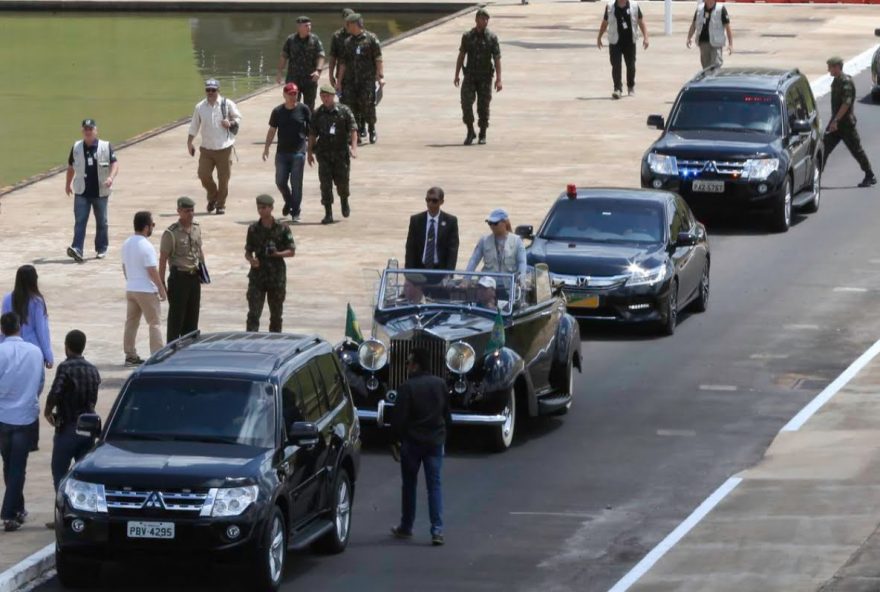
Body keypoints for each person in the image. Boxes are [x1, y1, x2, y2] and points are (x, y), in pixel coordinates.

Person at [390, 347, 450, 546]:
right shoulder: (440, 384)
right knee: (435, 486)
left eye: (408, 362)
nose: (406, 366)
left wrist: (395, 441)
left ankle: (406, 526)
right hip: (435, 442)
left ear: (416, 365)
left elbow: (398, 420)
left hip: (412, 444)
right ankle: (437, 530)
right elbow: (447, 415)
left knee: (409, 486)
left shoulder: (407, 387)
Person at [0, 312, 45, 532]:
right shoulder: (35, 352)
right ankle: (12, 511)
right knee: (17, 467)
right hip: (26, 417)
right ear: (20, 327)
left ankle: (14, 510)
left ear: (2, 329)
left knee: (9, 466)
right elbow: (40, 384)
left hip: (3, 417)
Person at [43, 330, 100, 499]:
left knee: (59, 471)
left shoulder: (65, 367)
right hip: (88, 427)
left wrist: (47, 411)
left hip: (68, 426)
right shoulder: (92, 369)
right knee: (84, 473)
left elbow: (56, 392)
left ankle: (64, 508)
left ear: (66, 347)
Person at [65, 118, 119, 263]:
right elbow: (71, 167)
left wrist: (111, 178)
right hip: (82, 191)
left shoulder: (105, 146)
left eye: (91, 129)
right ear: (82, 131)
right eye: (86, 129)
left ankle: (101, 248)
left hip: (100, 191)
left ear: (96, 131)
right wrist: (67, 184)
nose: (88, 132)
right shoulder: (76, 147)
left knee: (102, 221)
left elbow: (114, 163)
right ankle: (77, 249)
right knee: (80, 221)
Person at [186, 79, 242, 215]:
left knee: (224, 179)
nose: (210, 92)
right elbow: (194, 126)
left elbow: (238, 117)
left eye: (213, 90)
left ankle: (220, 204)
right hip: (207, 148)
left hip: (224, 147)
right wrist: (189, 142)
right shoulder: (200, 107)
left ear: (218, 90)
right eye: (208, 90)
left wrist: (231, 122)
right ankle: (213, 196)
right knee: (203, 175)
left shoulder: (227, 104)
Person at [245, 195, 296, 332]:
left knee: (276, 316)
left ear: (271, 208)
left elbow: (291, 251)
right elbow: (248, 251)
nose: (261, 211)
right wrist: (251, 260)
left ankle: (275, 344)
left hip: (276, 277)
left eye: (264, 208)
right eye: (259, 208)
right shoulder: (253, 229)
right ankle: (251, 343)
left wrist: (277, 254)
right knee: (253, 315)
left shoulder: (283, 228)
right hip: (258, 277)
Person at [308, 85, 358, 224]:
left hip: (341, 154)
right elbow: (312, 134)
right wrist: (309, 152)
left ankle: (344, 200)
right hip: (323, 154)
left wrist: (353, 148)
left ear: (333, 96)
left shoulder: (344, 111)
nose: (325, 99)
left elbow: (353, 130)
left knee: (342, 182)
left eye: (327, 96)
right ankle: (328, 213)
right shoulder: (317, 113)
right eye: (323, 96)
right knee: (325, 184)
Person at [121, 211, 166, 366]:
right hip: (146, 290)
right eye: (152, 224)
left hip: (131, 288)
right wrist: (161, 288)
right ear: (146, 227)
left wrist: (131, 281)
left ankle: (130, 355)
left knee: (131, 322)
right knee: (154, 323)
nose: (153, 227)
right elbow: (152, 270)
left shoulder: (127, 243)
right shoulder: (146, 245)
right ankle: (157, 355)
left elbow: (124, 267)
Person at [825, 56, 877, 188]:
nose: (828, 69)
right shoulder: (836, 81)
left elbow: (846, 103)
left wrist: (836, 120)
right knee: (824, 148)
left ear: (837, 67)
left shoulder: (845, 82)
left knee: (856, 150)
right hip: (836, 124)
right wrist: (833, 121)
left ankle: (869, 175)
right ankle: (813, 179)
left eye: (830, 66)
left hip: (846, 124)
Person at [263, 83, 311, 222]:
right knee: (280, 181)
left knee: (296, 183)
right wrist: (266, 148)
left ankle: (295, 211)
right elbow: (272, 130)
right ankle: (289, 201)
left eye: (295, 94)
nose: (292, 96)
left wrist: (311, 147)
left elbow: (311, 127)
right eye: (290, 94)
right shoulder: (278, 111)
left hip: (299, 152)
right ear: (284, 95)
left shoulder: (304, 109)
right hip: (282, 153)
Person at [160, 197, 205, 342]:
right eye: (187, 211)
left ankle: (189, 350)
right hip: (179, 278)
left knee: (192, 318)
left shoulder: (196, 228)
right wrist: (161, 283)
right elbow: (163, 259)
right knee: (176, 320)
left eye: (192, 210)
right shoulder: (171, 233)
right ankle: (172, 351)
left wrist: (203, 269)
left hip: (194, 277)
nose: (190, 214)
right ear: (179, 211)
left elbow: (199, 250)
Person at [454, 8, 502, 145]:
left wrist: (499, 79)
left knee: (483, 106)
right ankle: (470, 131)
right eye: (482, 18)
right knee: (466, 103)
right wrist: (456, 74)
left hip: (485, 78)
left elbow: (497, 59)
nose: (485, 21)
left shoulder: (492, 38)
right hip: (470, 76)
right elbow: (461, 55)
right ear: (476, 20)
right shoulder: (468, 36)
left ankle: (482, 133)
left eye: (487, 19)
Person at [336, 13, 384, 144]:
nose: (346, 27)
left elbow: (378, 58)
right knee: (351, 106)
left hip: (366, 80)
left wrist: (380, 76)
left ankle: (372, 129)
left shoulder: (371, 39)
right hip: (350, 81)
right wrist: (339, 81)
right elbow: (343, 63)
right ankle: (355, 134)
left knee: (367, 105)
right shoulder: (347, 42)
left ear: (355, 24)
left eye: (348, 24)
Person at [1, 265, 53, 369]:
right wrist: (48, 355)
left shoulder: (7, 299)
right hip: (33, 350)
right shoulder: (37, 301)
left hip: (11, 352)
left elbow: (4, 327)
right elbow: (41, 331)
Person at [597, 0, 649, 100]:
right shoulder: (610, 6)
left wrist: (646, 37)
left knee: (631, 66)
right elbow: (605, 22)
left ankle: (630, 85)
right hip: (615, 42)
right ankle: (617, 89)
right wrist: (599, 37)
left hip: (630, 42)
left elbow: (641, 21)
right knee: (616, 65)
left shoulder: (634, 6)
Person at [276, 16, 325, 113]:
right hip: (294, 79)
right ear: (299, 27)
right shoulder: (291, 40)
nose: (309, 28)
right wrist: (279, 72)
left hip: (310, 79)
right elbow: (284, 56)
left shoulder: (315, 40)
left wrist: (318, 70)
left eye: (310, 25)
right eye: (306, 26)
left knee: (309, 107)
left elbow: (321, 56)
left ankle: (308, 127)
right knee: (292, 104)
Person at [405, 187, 460, 271]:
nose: (430, 203)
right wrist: (408, 273)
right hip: (419, 268)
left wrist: (449, 274)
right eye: (428, 200)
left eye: (434, 201)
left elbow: (452, 250)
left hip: (440, 270)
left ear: (441, 202)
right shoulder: (416, 220)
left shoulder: (450, 221)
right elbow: (410, 248)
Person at [466, 208, 527, 277]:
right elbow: (473, 261)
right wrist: (466, 279)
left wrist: (521, 281)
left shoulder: (517, 241)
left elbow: (522, 263)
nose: (492, 226)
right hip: (487, 285)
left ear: (504, 223)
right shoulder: (483, 241)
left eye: (495, 223)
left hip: (509, 284)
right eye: (490, 223)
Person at [686, 0, 733, 69]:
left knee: (716, 64)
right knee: (706, 67)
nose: (710, 1)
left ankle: (714, 79)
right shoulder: (699, 9)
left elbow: (727, 27)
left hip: (716, 43)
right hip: (703, 42)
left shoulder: (720, 9)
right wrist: (689, 37)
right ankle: (707, 78)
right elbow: (694, 25)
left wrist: (730, 44)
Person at [328, 8, 355, 90]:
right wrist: (330, 75)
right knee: (344, 102)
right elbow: (333, 57)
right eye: (346, 20)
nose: (348, 23)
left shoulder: (360, 34)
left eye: (350, 20)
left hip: (360, 76)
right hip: (343, 77)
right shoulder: (337, 36)